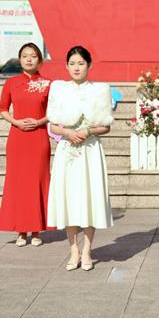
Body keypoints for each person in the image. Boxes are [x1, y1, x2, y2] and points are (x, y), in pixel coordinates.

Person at [46, 46, 114, 271]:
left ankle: (87, 251)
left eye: (81, 63)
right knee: (69, 198)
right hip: (67, 149)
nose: (76, 68)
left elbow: (106, 126)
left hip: (90, 150)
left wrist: (88, 131)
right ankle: (73, 250)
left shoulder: (100, 90)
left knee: (90, 198)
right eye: (72, 63)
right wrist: (67, 132)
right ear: (66, 66)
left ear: (89, 65)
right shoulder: (59, 89)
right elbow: (53, 124)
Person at [0, 43, 52, 246]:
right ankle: (20, 231)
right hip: (17, 138)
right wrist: (16, 122)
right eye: (25, 56)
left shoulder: (48, 84)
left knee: (37, 182)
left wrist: (39, 121)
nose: (29, 59)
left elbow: (54, 111)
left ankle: (36, 230)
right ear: (20, 59)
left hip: (39, 137)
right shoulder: (11, 83)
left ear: (40, 60)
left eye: (33, 56)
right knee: (18, 184)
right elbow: (3, 108)